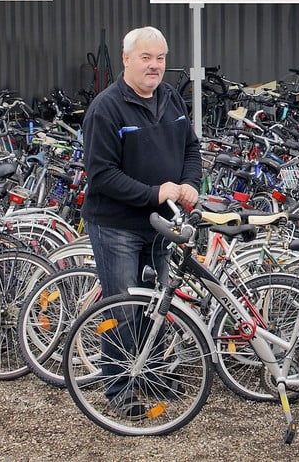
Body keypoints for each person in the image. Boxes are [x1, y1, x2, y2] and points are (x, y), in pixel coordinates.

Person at [81, 26, 201, 418]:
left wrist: (189, 183)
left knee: (159, 305)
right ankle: (119, 387)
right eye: (146, 57)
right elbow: (102, 175)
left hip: (160, 225)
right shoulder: (106, 107)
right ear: (126, 59)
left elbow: (191, 148)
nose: (155, 66)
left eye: (161, 58)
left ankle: (153, 373)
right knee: (124, 308)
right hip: (116, 225)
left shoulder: (170, 98)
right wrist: (155, 192)